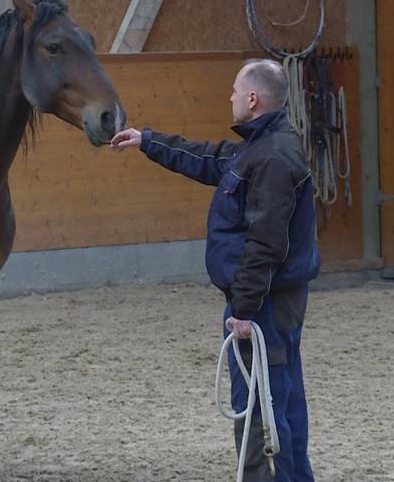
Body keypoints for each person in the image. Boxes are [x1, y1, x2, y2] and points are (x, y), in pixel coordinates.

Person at [111, 58, 319, 481]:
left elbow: (266, 244)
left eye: (234, 90)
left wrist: (243, 309)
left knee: (262, 406)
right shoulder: (260, 147)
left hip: (263, 305)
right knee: (282, 398)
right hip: (270, 300)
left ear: (253, 98)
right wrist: (147, 140)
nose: (230, 97)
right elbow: (208, 158)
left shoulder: (273, 158)